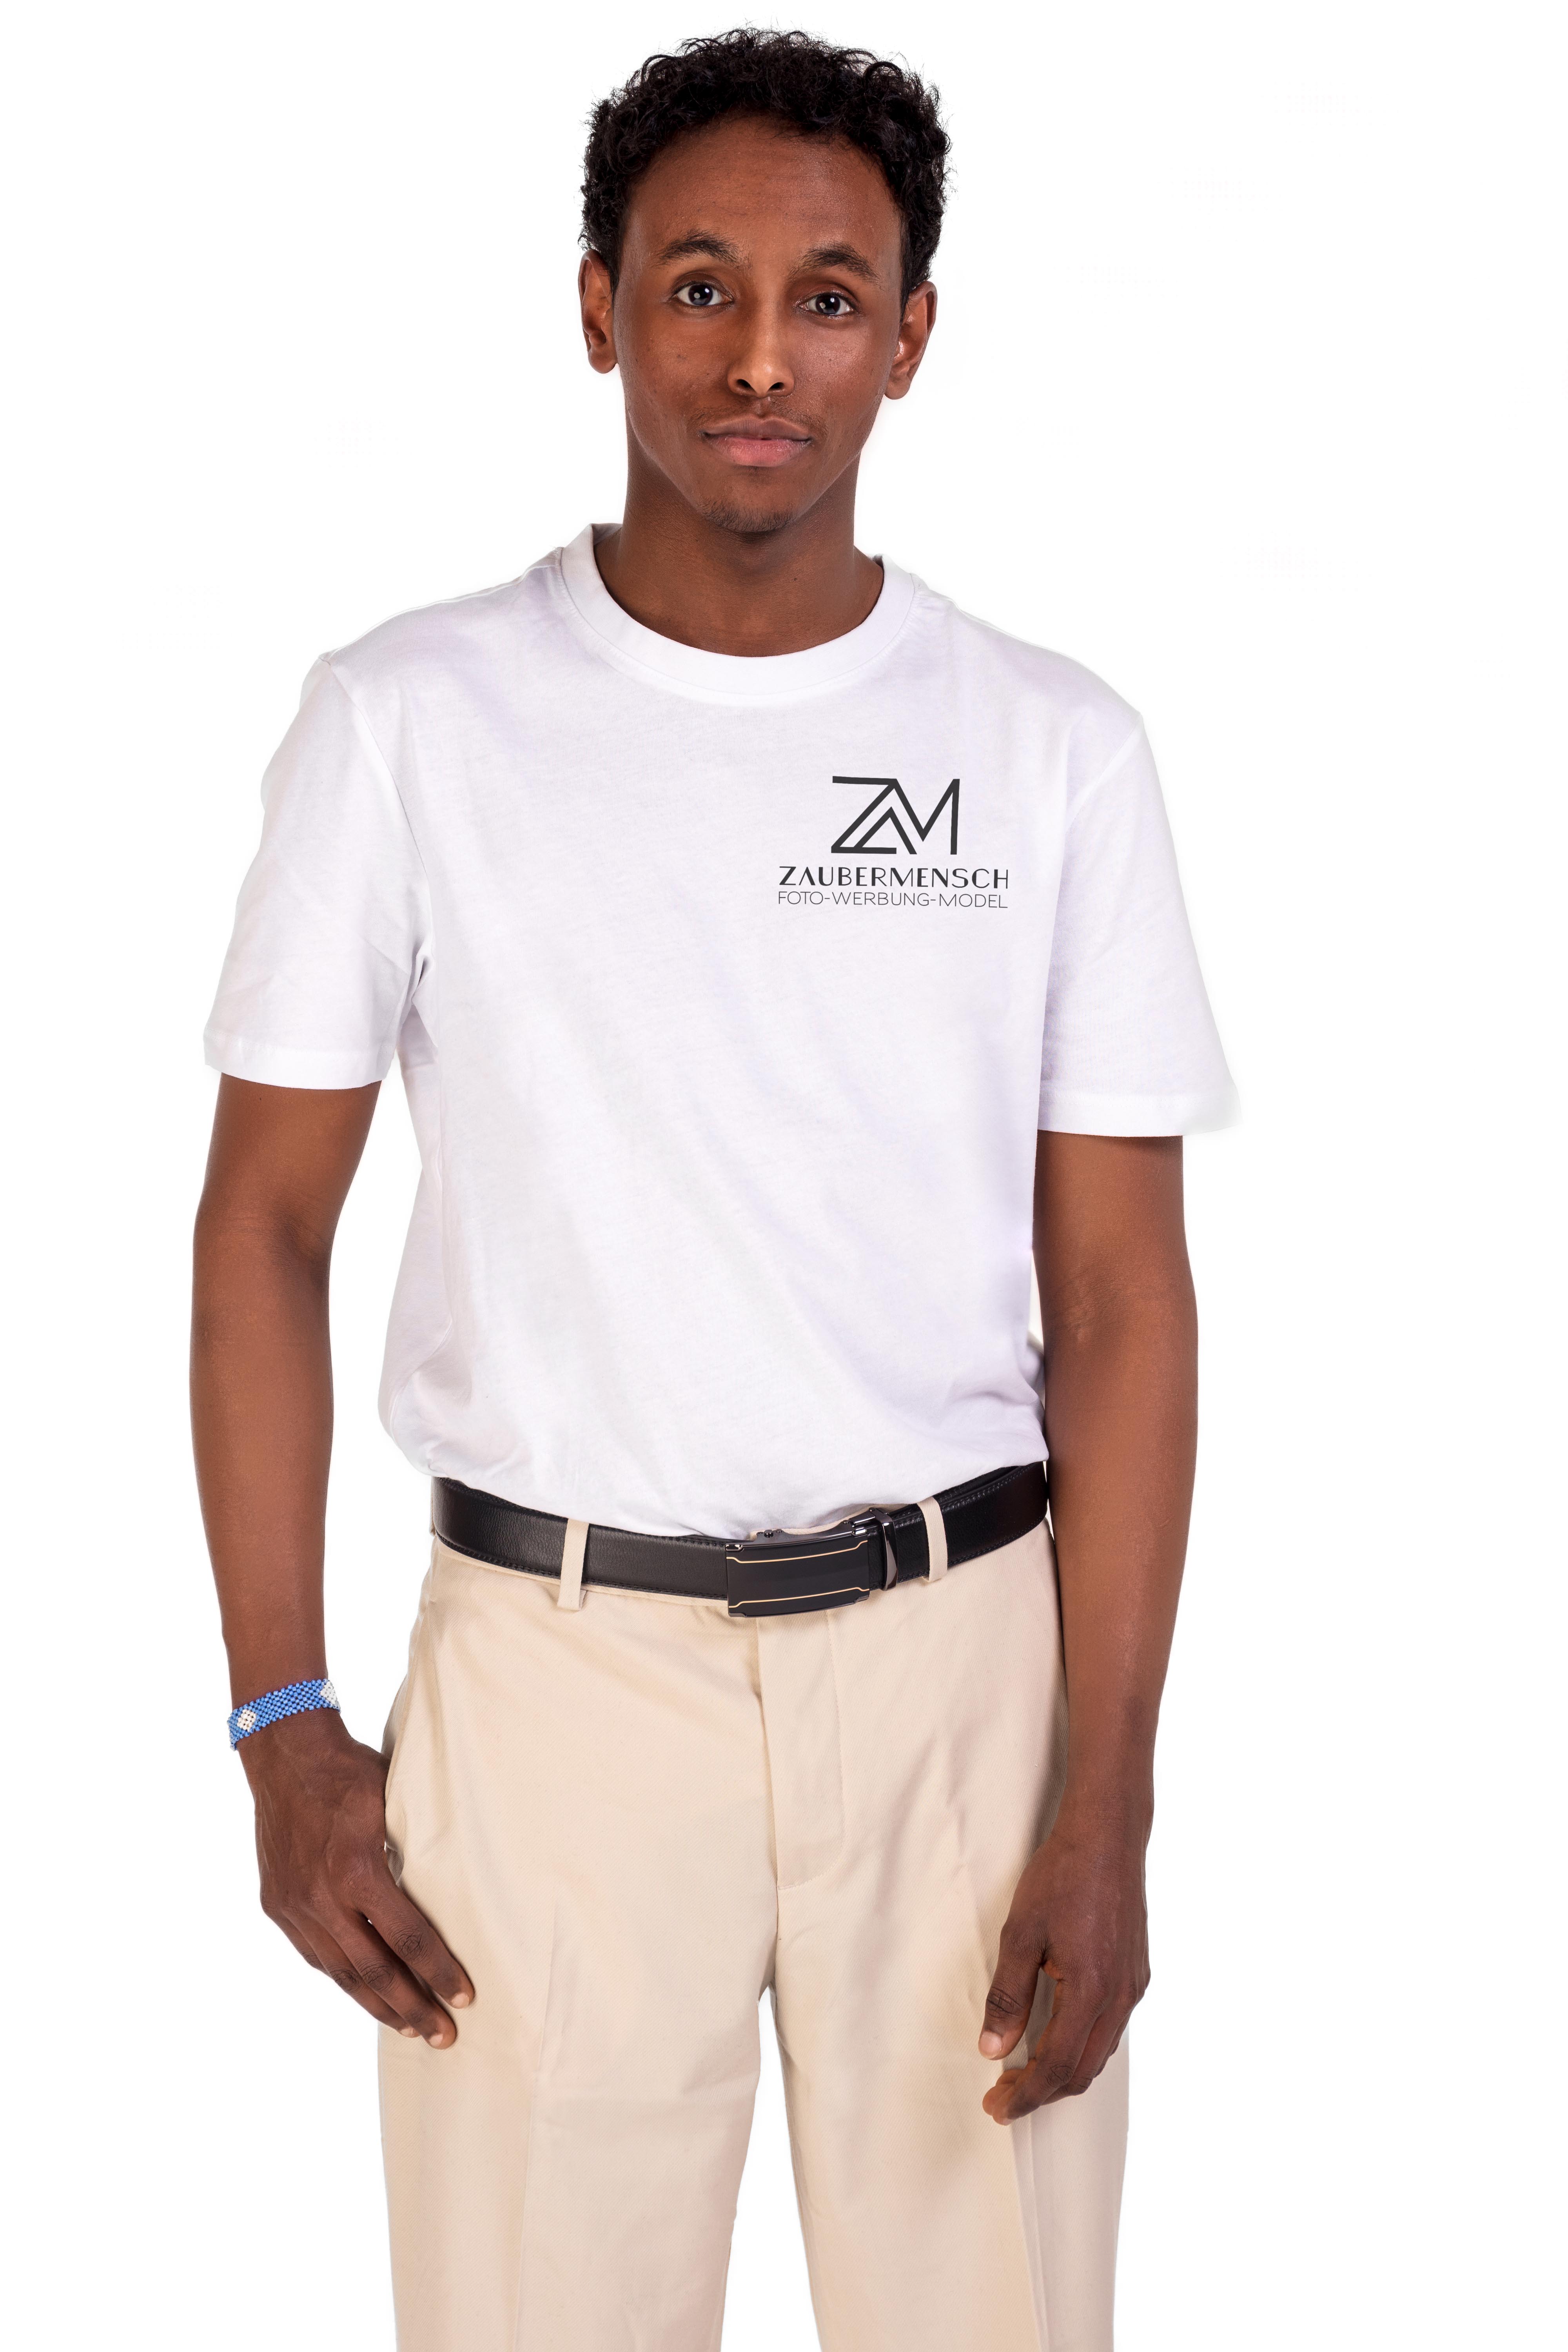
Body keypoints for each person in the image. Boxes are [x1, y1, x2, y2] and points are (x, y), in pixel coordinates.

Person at [192, 27, 1234, 2351]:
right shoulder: (410, 720)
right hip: (554, 1681)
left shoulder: (1050, 751)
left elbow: (1124, 1302)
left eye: (829, 296)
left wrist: (1113, 1801)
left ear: (912, 336)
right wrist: (280, 1721)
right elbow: (263, 1225)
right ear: (598, 309)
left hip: (967, 1680)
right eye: (698, 287)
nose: (763, 355)